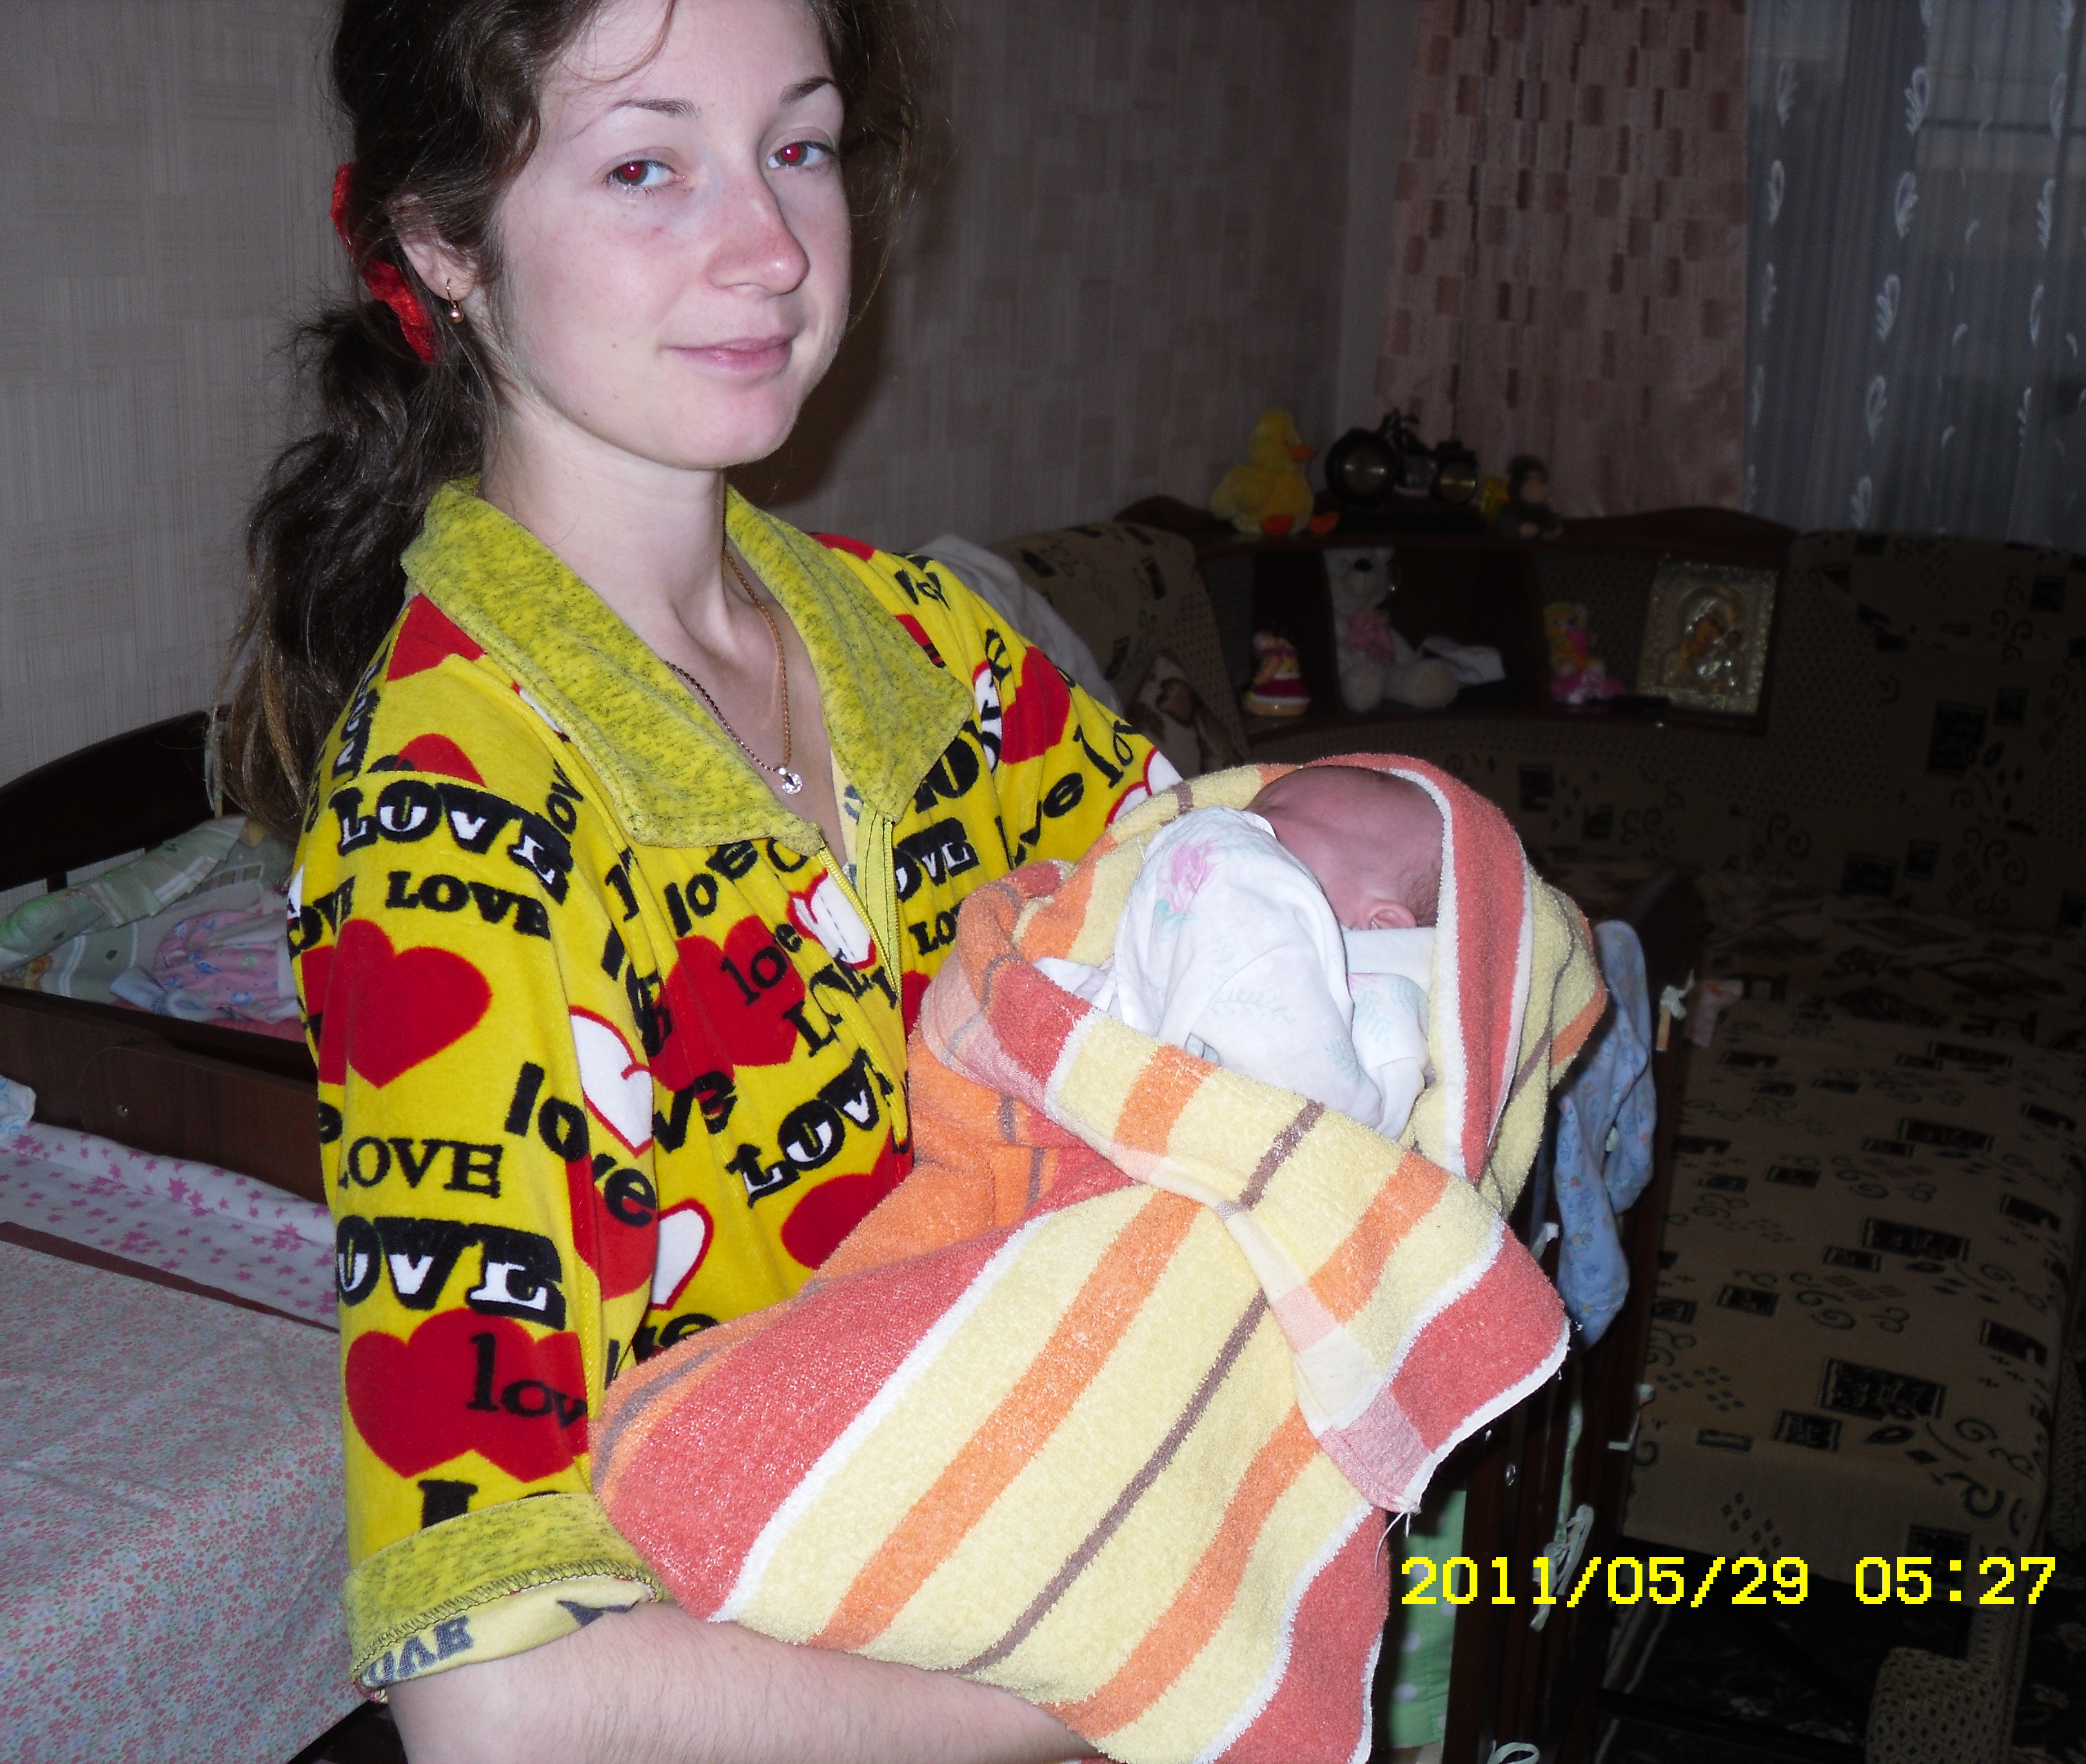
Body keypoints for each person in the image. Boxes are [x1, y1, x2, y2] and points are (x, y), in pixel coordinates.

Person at [217, 1, 1168, 1759]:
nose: (773, 247)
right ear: (445, 244)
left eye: (797, 146)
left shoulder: (928, 646)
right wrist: (1122, 1681)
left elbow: (1235, 923)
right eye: (647, 167)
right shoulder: (457, 814)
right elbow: (498, 1696)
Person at [1036, 764, 1442, 1136]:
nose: (1243, 824)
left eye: (1271, 826)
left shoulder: (1391, 999)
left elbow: (1323, 1115)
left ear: (1380, 924)